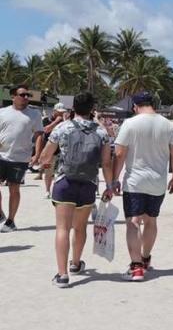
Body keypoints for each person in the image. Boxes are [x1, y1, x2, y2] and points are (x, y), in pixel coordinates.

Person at [39, 92, 112, 288]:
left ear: (74, 108)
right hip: (88, 184)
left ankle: (62, 275)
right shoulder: (101, 132)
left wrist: (44, 164)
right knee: (80, 228)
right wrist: (111, 186)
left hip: (65, 182)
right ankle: (76, 263)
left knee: (62, 228)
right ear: (92, 109)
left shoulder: (62, 128)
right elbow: (106, 163)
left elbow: (45, 156)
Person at [110, 92, 173, 282]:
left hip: (135, 181)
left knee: (133, 222)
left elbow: (119, 154)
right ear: (152, 104)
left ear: (135, 106)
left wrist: (114, 180)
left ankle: (136, 268)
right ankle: (146, 258)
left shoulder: (130, 124)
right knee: (151, 221)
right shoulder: (168, 125)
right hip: (158, 181)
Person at [0, 84, 44, 232]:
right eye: (22, 95)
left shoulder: (34, 114)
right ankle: (0, 214)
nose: (26, 97)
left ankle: (11, 221)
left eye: (27, 95)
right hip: (1, 155)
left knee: (14, 189)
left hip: (20, 158)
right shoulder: (3, 112)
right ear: (13, 96)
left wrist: (37, 155)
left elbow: (39, 135)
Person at [41, 104, 69, 198]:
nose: (61, 114)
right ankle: (47, 190)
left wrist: (65, 120)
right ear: (55, 111)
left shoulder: (66, 121)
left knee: (63, 172)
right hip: (50, 151)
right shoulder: (46, 119)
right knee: (48, 172)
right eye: (59, 112)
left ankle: (60, 190)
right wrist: (56, 121)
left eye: (63, 112)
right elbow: (46, 130)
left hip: (62, 151)